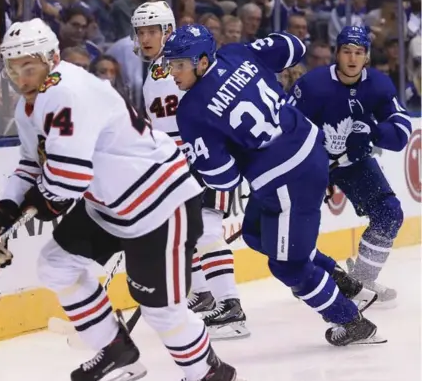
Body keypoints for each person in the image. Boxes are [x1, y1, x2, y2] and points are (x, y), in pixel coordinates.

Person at [0, 18, 245, 381]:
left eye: (27, 64)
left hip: (158, 202)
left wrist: (13, 215)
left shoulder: (68, 93)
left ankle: (207, 370)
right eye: (13, 65)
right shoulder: (31, 104)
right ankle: (116, 350)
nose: (19, 74)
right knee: (56, 264)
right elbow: (31, 165)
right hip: (109, 203)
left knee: (159, 308)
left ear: (51, 58)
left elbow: (65, 183)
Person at [163, 24, 384, 346]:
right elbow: (293, 46)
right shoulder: (236, 53)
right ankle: (345, 284)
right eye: (171, 65)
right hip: (309, 150)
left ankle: (352, 322)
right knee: (256, 233)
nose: (173, 73)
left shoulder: (192, 110)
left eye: (179, 64)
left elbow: (223, 179)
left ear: (200, 61)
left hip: (286, 181)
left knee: (288, 266)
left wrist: (201, 159)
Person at [131, 1, 249, 341]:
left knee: (207, 231)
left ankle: (231, 307)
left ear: (168, 31)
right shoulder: (159, 70)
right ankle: (202, 294)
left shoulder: (177, 67)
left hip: (206, 157)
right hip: (181, 161)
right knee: (185, 233)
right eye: (141, 31)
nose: (146, 37)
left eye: (153, 30)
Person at [287, 26, 412, 302]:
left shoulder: (378, 85)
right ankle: (306, 280)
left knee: (389, 213)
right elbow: (286, 129)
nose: (352, 59)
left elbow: (401, 131)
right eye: (347, 52)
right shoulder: (312, 85)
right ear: (337, 54)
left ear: (366, 57)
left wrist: (373, 132)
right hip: (311, 165)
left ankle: (361, 280)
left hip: (353, 163)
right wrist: (310, 159)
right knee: (294, 227)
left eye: (359, 52)